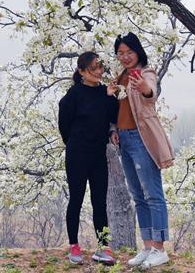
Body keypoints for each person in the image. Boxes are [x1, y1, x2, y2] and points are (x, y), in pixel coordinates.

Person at [107, 33, 175, 269]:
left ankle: (159, 248)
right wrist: (114, 129)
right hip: (124, 140)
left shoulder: (146, 72)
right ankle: (147, 247)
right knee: (137, 195)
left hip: (141, 138)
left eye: (129, 52)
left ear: (138, 52)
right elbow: (117, 108)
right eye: (120, 53)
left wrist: (145, 89)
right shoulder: (120, 77)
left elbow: (150, 94)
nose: (125, 57)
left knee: (153, 194)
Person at [58, 51, 118, 265]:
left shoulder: (105, 91)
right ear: (82, 71)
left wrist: (110, 95)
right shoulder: (74, 94)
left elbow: (113, 116)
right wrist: (73, 141)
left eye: (100, 67)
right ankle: (74, 246)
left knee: (100, 201)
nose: (99, 72)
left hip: (97, 153)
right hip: (77, 152)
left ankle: (103, 247)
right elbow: (64, 121)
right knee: (76, 198)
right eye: (94, 68)